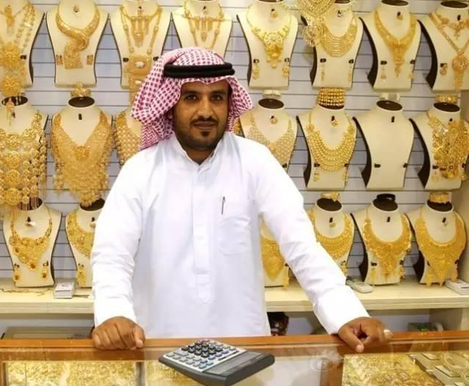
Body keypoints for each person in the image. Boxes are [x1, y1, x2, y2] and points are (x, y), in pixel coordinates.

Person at [91, 47, 391, 351]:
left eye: (217, 98)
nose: (206, 111)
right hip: (160, 344)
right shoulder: (140, 171)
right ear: (170, 105)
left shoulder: (255, 161)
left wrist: (347, 313)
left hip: (243, 349)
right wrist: (114, 313)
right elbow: (112, 254)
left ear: (229, 102)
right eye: (191, 97)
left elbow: (301, 245)